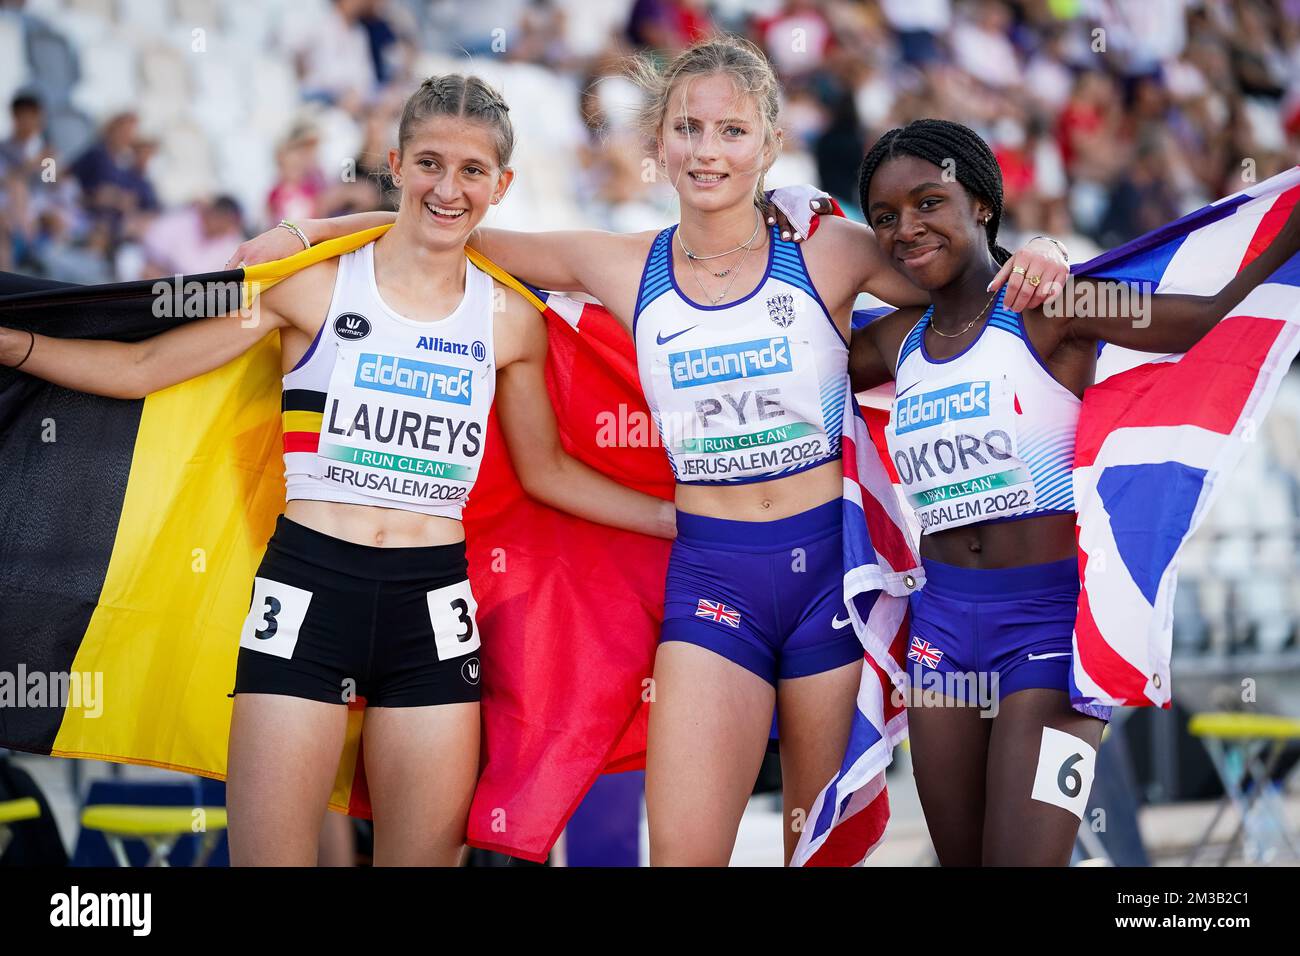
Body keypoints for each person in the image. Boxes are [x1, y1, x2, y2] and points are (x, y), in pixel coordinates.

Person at [227, 36, 1069, 866]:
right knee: (683, 853)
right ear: (659, 144)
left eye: (734, 131)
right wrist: (314, 229)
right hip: (710, 577)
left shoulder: (833, 251)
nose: (709, 150)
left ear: (771, 145)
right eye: (689, 129)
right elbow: (448, 231)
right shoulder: (618, 263)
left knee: (817, 852)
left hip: (832, 584)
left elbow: (971, 279)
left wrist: (1048, 253)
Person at [0, 73, 673, 867]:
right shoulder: (313, 287)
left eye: (471, 171)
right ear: (395, 163)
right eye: (428, 163)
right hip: (306, 593)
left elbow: (549, 474)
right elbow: (145, 365)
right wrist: (14, 345)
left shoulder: (507, 318)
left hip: (433, 610)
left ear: (502, 185)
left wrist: (680, 519)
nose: (447, 187)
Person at [848, 117, 1300, 865]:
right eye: (886, 218)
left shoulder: (1049, 308)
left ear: (982, 205)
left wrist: (1289, 236)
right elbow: (800, 355)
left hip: (1048, 633)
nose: (907, 228)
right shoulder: (896, 341)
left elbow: (1195, 322)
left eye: (929, 202)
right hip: (940, 637)